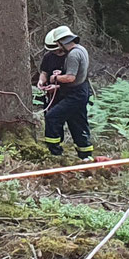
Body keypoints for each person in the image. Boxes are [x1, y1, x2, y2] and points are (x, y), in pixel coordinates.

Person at [40, 25, 94, 161]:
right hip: (73, 92)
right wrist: (44, 82)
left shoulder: (73, 55)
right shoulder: (81, 50)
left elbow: (70, 77)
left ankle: (55, 153)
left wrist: (55, 79)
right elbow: (44, 71)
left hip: (75, 93)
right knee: (78, 122)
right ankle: (85, 155)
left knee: (53, 117)